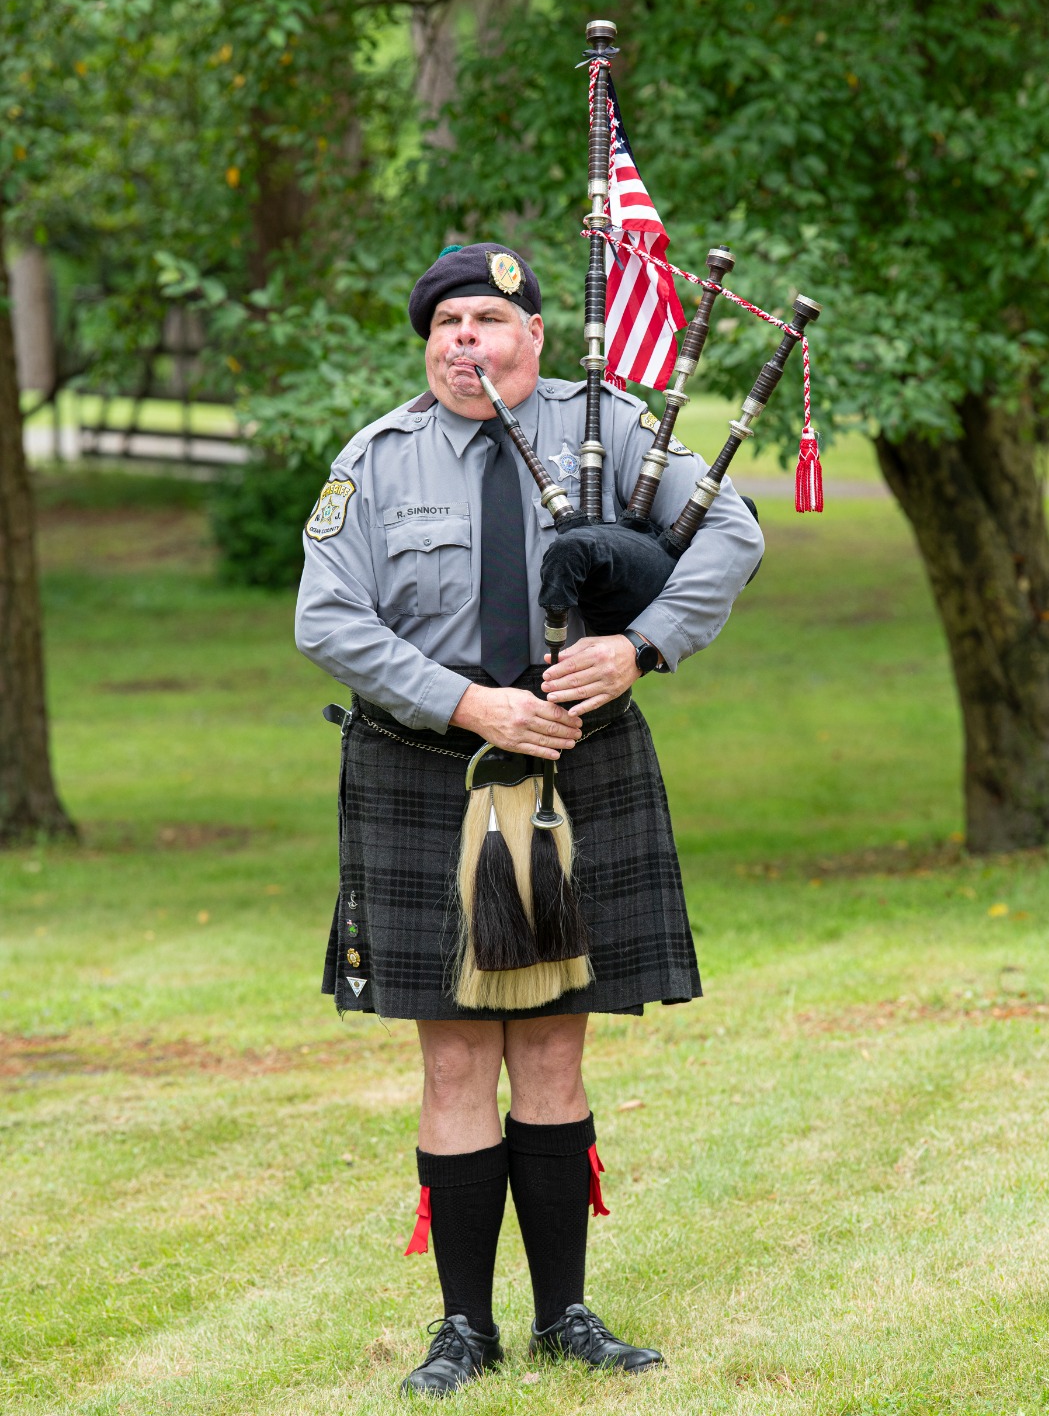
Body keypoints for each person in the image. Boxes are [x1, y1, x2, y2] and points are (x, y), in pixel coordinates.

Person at [295, 241, 764, 1397]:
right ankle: (465, 1327)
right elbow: (328, 619)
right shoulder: (379, 459)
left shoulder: (612, 432)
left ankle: (565, 1317)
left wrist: (640, 645)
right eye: (445, 325)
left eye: (487, 321)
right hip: (427, 770)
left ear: (535, 336)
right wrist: (467, 702)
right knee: (456, 1055)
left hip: (580, 764)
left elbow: (733, 532)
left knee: (553, 1046)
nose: (465, 342)